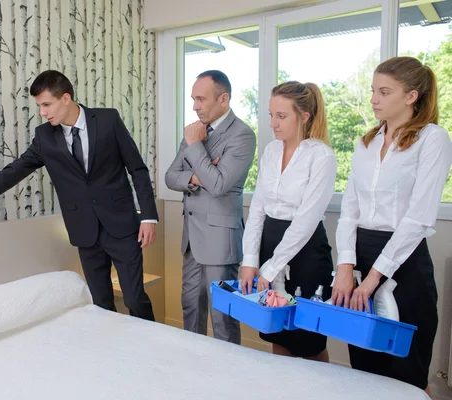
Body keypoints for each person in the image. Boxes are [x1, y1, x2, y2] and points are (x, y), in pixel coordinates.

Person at [0, 70, 158, 321]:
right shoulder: (45, 137)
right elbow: (10, 173)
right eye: (39, 106)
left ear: (66, 98)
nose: (43, 112)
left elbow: (137, 169)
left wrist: (148, 216)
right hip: (85, 231)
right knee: (100, 303)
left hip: (122, 226)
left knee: (135, 298)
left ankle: (152, 350)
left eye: (47, 104)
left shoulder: (107, 120)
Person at [331, 56, 451, 395]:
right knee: (365, 368)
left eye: (384, 92)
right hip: (360, 258)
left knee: (406, 373)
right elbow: (349, 211)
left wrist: (372, 279)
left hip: (405, 262)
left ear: (411, 96)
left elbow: (419, 218)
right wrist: (345, 266)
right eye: (373, 91)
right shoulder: (365, 143)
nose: (373, 99)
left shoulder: (433, 139)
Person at [241, 81, 336, 362]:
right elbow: (258, 207)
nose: (273, 123)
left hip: (306, 252)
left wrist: (270, 269)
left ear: (304, 116)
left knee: (307, 341)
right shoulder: (271, 151)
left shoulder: (321, 156)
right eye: (271, 115)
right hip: (270, 242)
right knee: (277, 332)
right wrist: (250, 261)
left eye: (281, 116)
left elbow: (305, 222)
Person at [165, 70, 256, 344]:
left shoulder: (242, 135)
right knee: (190, 309)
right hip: (191, 239)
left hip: (220, 242)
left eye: (201, 99)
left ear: (223, 98)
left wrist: (194, 148)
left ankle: (226, 379)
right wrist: (195, 177)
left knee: (223, 318)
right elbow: (170, 176)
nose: (195, 106)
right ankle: (193, 372)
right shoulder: (195, 130)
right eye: (193, 99)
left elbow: (217, 185)